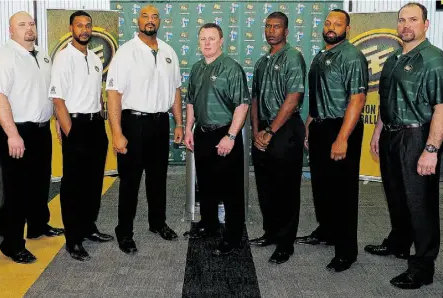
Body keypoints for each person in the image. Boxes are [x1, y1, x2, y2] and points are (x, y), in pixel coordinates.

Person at [366, 2, 443, 289]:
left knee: (420, 203)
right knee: (396, 195)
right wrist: (379, 131)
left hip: (416, 136)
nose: (406, 25)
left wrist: (431, 150)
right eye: (402, 20)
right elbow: (386, 100)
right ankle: (399, 243)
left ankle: (423, 266)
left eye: (413, 20)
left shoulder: (433, 59)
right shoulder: (392, 59)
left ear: (426, 24)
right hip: (391, 134)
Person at [0, 11, 64, 264]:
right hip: (17, 130)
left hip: (41, 129)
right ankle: (11, 244)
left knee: (40, 183)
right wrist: (12, 134)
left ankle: (38, 226)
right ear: (11, 30)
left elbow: (48, 95)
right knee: (14, 191)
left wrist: (55, 125)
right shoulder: (4, 57)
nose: (28, 28)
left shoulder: (41, 54)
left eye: (31, 23)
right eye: (22, 25)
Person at [105, 4, 182, 254]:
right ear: (137, 21)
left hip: (160, 123)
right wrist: (117, 132)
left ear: (160, 22)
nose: (150, 21)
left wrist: (179, 123)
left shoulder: (169, 51)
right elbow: (113, 94)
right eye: (145, 16)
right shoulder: (126, 52)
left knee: (158, 179)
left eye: (155, 17)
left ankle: (157, 223)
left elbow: (176, 90)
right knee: (130, 181)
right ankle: (124, 232)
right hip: (133, 123)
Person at [296, 9, 368, 272]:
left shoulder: (352, 56)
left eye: (338, 24)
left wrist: (342, 138)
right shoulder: (322, 54)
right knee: (322, 186)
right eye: (328, 22)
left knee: (343, 193)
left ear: (347, 29)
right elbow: (319, 95)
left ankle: (346, 251)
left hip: (341, 128)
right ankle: (326, 231)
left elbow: (357, 100)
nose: (331, 27)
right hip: (320, 126)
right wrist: (309, 124)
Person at [50, 10, 114, 262]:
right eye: (79, 25)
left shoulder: (96, 59)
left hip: (95, 125)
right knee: (74, 185)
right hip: (75, 125)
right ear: (71, 28)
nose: (84, 30)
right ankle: (73, 239)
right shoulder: (64, 58)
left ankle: (88, 227)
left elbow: (97, 93)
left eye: (88, 25)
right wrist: (70, 134)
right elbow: (58, 99)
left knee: (94, 181)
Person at [184, 23, 250, 256]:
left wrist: (231, 136)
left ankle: (233, 236)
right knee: (207, 184)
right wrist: (189, 129)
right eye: (203, 39)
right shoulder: (196, 68)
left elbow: (242, 105)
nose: (207, 43)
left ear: (222, 41)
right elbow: (190, 101)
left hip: (224, 134)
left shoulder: (232, 68)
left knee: (231, 189)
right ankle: (208, 224)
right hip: (202, 133)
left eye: (212, 38)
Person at [247, 12, 306, 265]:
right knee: (266, 187)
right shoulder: (261, 62)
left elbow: (293, 99)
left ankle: (285, 243)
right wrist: (256, 131)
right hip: (263, 132)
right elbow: (255, 100)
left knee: (286, 189)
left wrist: (270, 132)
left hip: (285, 131)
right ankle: (270, 233)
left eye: (277, 27)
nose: (272, 31)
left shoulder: (293, 57)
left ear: (286, 31)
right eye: (268, 26)